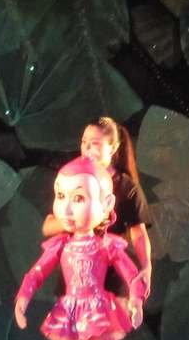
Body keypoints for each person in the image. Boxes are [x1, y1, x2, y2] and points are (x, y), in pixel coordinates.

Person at [15, 157, 149, 340]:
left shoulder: (107, 245)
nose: (67, 207)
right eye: (61, 196)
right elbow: (37, 273)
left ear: (106, 204)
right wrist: (23, 298)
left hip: (102, 315)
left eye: (78, 198)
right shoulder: (60, 245)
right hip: (70, 317)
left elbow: (131, 274)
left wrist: (136, 300)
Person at [47, 118, 152, 296]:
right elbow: (48, 226)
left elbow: (139, 233)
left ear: (113, 148)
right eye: (84, 142)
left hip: (109, 276)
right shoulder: (73, 178)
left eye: (95, 143)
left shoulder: (126, 187)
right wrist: (77, 221)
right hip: (74, 274)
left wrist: (146, 266)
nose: (87, 148)